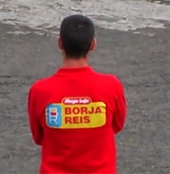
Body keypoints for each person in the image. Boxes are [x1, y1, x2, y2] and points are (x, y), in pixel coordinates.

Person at [27, 14, 126, 174]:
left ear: (60, 43)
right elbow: (116, 125)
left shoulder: (40, 90)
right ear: (93, 45)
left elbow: (39, 137)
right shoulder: (111, 86)